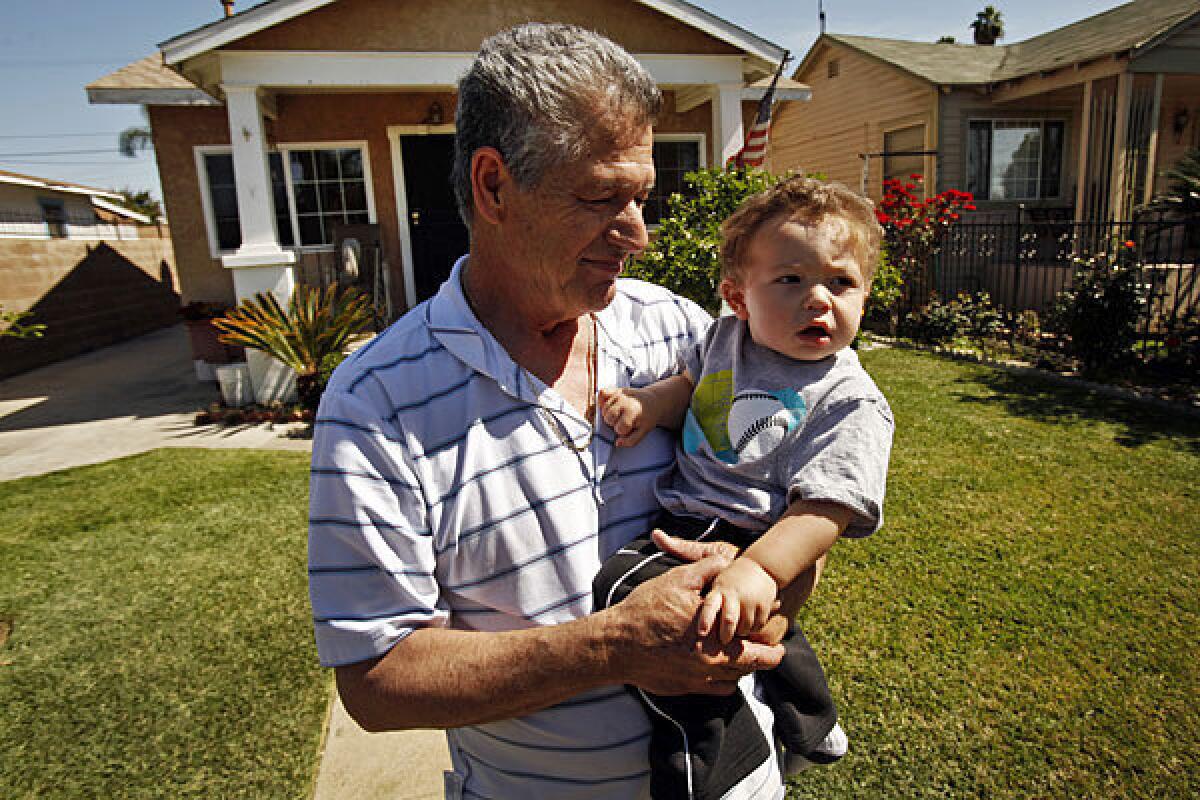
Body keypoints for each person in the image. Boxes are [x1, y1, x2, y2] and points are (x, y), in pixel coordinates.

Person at [308, 23, 794, 799]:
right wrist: (613, 647)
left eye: (642, 196)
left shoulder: (680, 330)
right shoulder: (376, 402)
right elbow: (376, 678)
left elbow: (785, 493)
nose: (638, 234)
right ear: (493, 186)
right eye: (603, 197)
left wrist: (764, 596)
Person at [594, 176, 894, 799]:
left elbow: (826, 509)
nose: (819, 299)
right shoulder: (725, 340)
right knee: (759, 632)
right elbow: (693, 391)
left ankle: (710, 762)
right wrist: (649, 406)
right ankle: (813, 722)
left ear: (864, 297)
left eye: (841, 282)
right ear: (737, 297)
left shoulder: (850, 399)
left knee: (635, 597)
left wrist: (759, 569)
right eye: (790, 280)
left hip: (759, 534)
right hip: (694, 524)